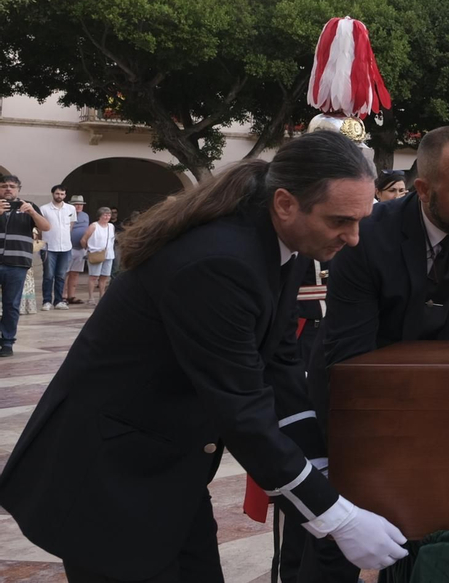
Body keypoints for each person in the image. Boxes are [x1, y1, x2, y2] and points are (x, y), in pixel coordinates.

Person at [0, 132, 410, 580]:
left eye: (360, 221)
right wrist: (336, 517)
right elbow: (241, 407)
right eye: (340, 221)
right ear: (286, 204)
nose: (353, 238)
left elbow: (279, 364)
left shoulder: (277, 244)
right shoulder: (220, 262)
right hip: (106, 478)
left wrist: (320, 465)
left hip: (167, 468)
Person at [305, 126, 449, 581]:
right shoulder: (369, 234)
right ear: (423, 190)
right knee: (337, 539)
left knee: (435, 535)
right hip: (355, 403)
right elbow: (350, 357)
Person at [0, 176, 50, 356]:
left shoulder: (28, 206)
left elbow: (46, 227)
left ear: (18, 189)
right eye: (4, 186)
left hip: (17, 264)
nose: (8, 189)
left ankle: (7, 342)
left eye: (12, 186)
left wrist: (33, 213)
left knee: (11, 304)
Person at [37, 185, 76, 311]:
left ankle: (59, 301)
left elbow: (71, 225)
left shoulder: (70, 208)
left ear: (65, 195)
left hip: (65, 247)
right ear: (53, 194)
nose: (60, 196)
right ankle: (47, 301)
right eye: (57, 193)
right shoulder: (44, 209)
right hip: (49, 247)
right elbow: (39, 228)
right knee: (48, 275)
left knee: (61, 275)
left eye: (62, 194)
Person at [80, 208, 117, 302]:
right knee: (94, 276)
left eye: (108, 215)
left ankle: (102, 296)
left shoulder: (111, 226)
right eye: (105, 215)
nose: (107, 217)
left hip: (108, 254)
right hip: (96, 254)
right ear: (99, 216)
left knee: (104, 276)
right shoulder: (94, 226)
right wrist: (88, 250)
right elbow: (83, 240)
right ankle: (91, 298)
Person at [65, 196, 89, 306]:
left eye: (81, 204)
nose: (78, 206)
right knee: (64, 273)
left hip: (81, 248)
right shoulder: (66, 214)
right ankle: (63, 296)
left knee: (75, 273)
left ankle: (71, 296)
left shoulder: (85, 216)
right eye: (76, 204)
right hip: (68, 248)